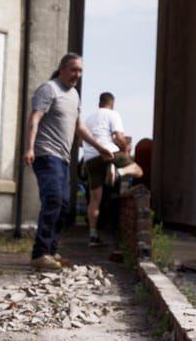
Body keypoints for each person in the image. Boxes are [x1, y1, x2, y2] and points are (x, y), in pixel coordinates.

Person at [22, 53, 115, 271]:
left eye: (80, 71)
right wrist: (29, 148)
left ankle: (51, 251)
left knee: (64, 206)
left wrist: (100, 147)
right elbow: (35, 118)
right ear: (62, 69)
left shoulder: (74, 95)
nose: (77, 75)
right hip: (46, 154)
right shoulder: (49, 89)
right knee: (53, 199)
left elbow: (79, 127)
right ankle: (40, 254)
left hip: (64, 158)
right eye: (74, 70)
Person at [80, 92, 143, 246]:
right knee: (138, 170)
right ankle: (117, 172)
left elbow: (81, 141)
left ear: (99, 103)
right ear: (112, 103)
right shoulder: (113, 114)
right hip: (108, 151)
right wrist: (125, 148)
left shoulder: (88, 119)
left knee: (95, 200)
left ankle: (93, 236)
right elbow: (119, 137)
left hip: (90, 158)